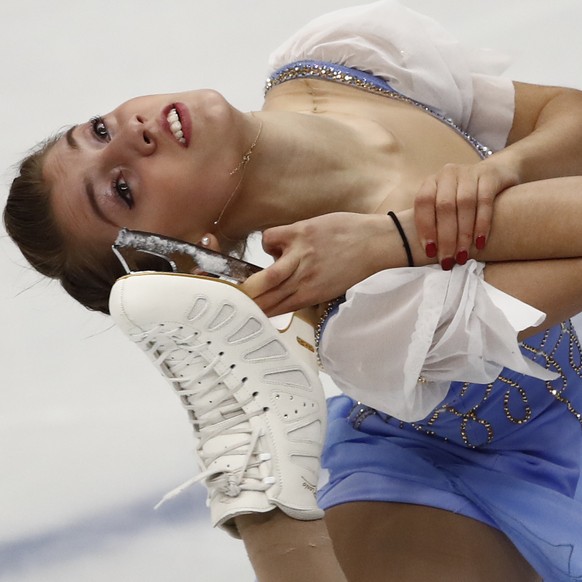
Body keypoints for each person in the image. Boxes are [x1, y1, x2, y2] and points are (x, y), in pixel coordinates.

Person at [5, 1, 582, 580]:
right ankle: (260, 498)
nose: (132, 136)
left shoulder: (336, 60)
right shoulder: (360, 314)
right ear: (191, 247)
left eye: (99, 131)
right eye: (123, 189)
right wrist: (398, 241)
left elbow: (568, 113)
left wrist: (509, 167)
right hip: (474, 471)